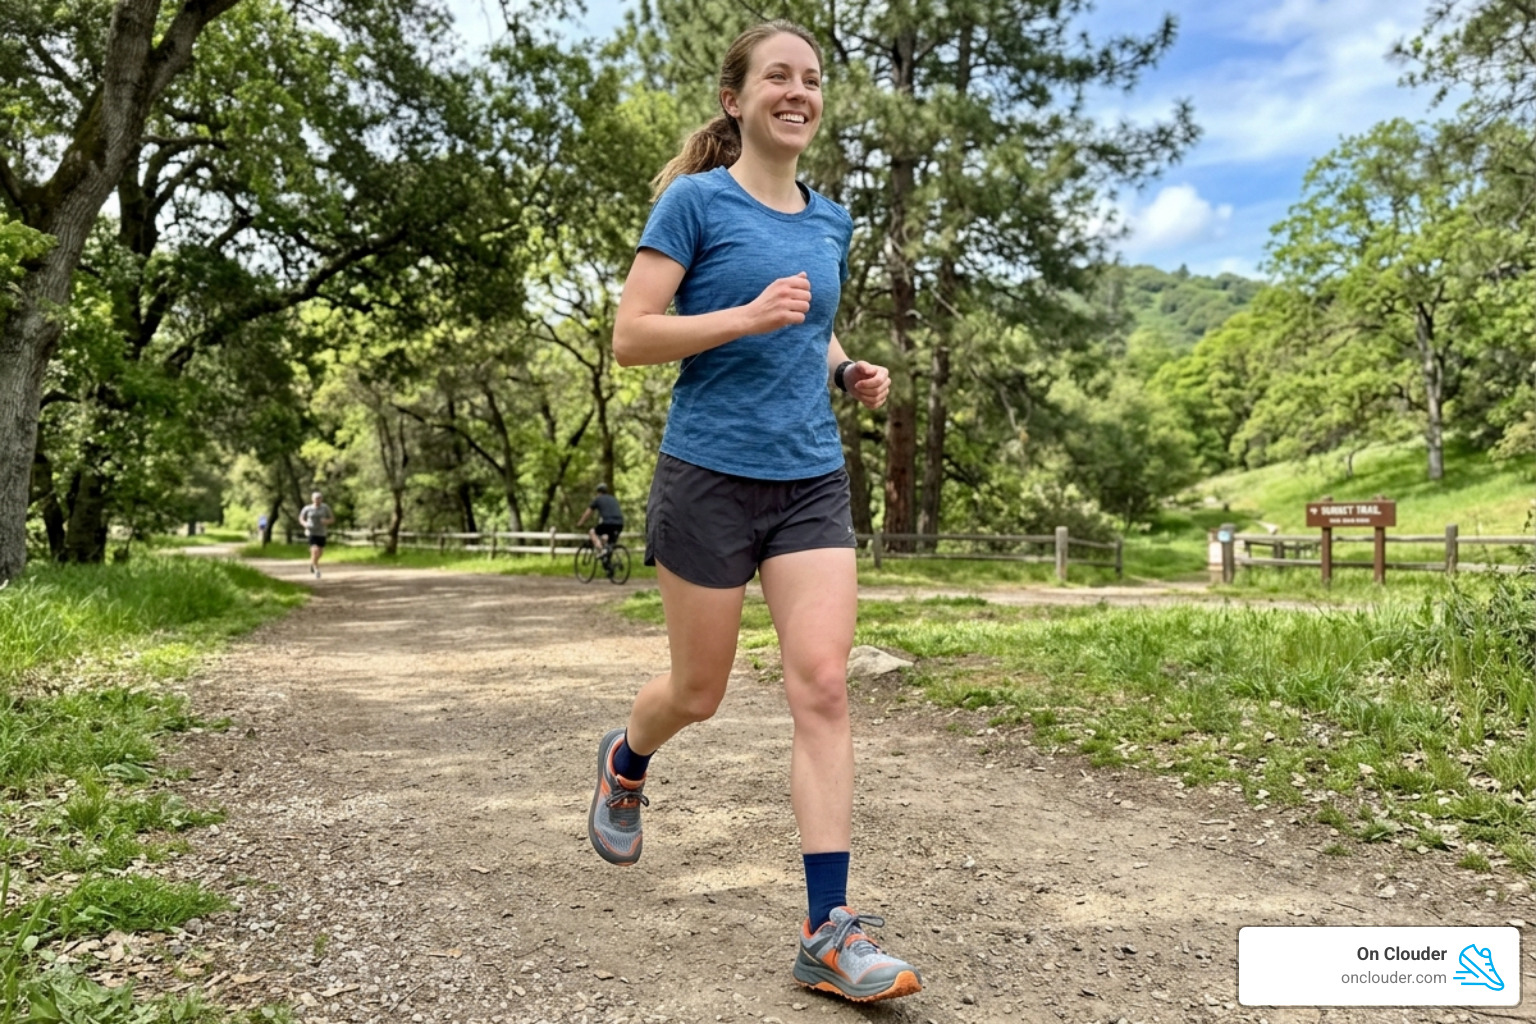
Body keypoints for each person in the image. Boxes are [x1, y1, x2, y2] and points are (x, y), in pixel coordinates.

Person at [586, 21, 920, 1004]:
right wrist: (745, 316)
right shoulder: (694, 202)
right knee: (699, 691)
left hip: (809, 478)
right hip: (709, 473)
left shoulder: (833, 220)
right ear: (737, 100)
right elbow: (632, 337)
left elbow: (807, 325)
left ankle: (828, 932)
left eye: (812, 79)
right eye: (779, 75)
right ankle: (627, 756)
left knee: (822, 686)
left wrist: (844, 364)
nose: (798, 91)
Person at [575, 483, 624, 564]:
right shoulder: (613, 499)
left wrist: (580, 523)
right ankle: (609, 567)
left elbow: (588, 512)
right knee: (609, 543)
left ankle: (601, 551)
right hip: (619, 524)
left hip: (608, 523)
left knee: (592, 532)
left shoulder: (598, 499)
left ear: (598, 492)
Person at [298, 491, 334, 578]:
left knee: (320, 553)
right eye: (316, 498)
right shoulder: (307, 508)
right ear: (312, 499)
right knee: (315, 551)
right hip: (311, 532)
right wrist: (305, 524)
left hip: (322, 532)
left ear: (322, 499)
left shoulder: (325, 508)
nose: (317, 500)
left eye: (319, 498)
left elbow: (332, 519)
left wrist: (326, 521)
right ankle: (316, 569)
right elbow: (301, 518)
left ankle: (312, 563)